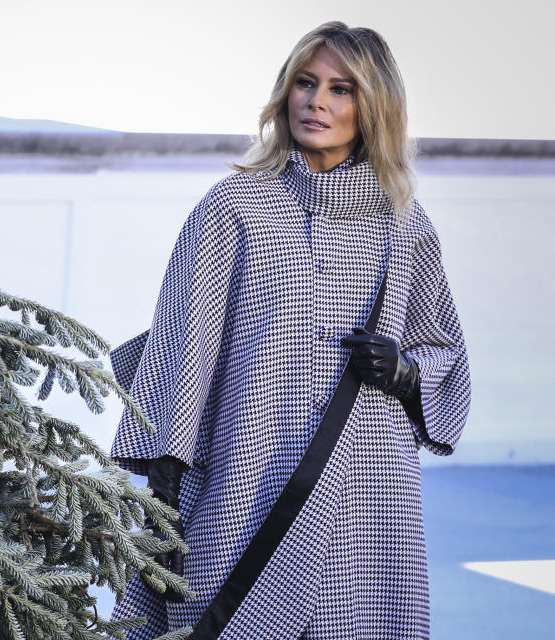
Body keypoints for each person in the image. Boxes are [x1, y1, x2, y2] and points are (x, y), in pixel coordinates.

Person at [107, 21, 472, 640]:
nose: (318, 101)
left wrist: (405, 370)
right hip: (245, 472)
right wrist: (163, 503)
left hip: (369, 486)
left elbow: (444, 350)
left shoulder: (406, 226)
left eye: (341, 88)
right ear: (285, 94)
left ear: (373, 107)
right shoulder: (233, 205)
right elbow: (179, 348)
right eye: (306, 83)